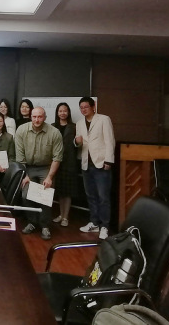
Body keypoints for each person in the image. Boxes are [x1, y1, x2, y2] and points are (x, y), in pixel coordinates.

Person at [16, 106, 63, 240]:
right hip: (28, 167)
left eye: (40, 117)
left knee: (45, 195)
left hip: (46, 167)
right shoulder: (21, 130)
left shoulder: (54, 133)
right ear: (31, 117)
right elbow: (20, 157)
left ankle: (45, 225)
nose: (37, 120)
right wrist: (25, 175)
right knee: (25, 194)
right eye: (34, 117)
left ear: (45, 118)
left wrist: (49, 177)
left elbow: (57, 158)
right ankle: (32, 222)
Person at [75, 97, 115, 240]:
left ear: (93, 107)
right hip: (86, 164)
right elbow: (79, 142)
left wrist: (109, 160)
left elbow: (110, 140)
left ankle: (105, 226)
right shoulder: (79, 123)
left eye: (86, 107)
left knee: (103, 197)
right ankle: (94, 222)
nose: (83, 109)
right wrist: (76, 142)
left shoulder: (104, 119)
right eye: (81, 107)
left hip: (101, 163)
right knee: (90, 195)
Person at [51, 102, 80, 227]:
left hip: (69, 162)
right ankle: (60, 214)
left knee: (67, 191)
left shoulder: (74, 127)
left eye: (65, 111)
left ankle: (65, 217)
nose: (62, 113)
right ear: (57, 113)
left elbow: (77, 144)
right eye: (60, 111)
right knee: (59, 190)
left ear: (68, 112)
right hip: (55, 162)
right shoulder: (52, 126)